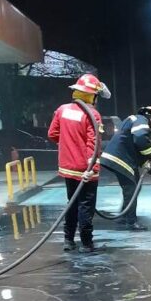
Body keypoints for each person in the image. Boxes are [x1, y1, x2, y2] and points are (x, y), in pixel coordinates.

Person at [48, 74, 110, 252]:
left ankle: (68, 240)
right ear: (92, 95)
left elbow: (52, 134)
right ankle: (86, 243)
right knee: (86, 206)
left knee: (72, 202)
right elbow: (94, 143)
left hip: (67, 168)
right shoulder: (92, 114)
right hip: (85, 169)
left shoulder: (62, 110)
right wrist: (93, 168)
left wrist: (69, 145)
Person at [100, 105, 151, 231]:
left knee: (133, 187)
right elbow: (140, 139)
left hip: (121, 158)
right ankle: (131, 222)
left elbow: (138, 150)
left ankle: (123, 217)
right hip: (120, 158)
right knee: (132, 188)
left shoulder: (135, 120)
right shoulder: (141, 120)